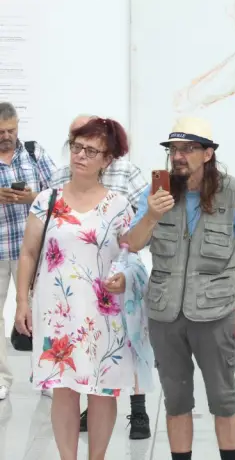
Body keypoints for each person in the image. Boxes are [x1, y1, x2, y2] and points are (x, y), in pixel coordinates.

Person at [124, 117, 235, 460]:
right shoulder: (156, 194)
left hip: (214, 313)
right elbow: (132, 243)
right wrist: (151, 215)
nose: (178, 156)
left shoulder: (234, 193)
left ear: (207, 154)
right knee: (176, 400)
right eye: (174, 149)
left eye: (188, 148)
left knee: (223, 398)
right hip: (165, 313)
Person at [14, 118, 134, 460]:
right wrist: (22, 301)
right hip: (55, 311)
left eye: (91, 151)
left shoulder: (119, 205)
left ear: (107, 160)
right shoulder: (46, 200)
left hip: (103, 312)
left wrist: (125, 277)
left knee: (102, 390)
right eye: (77, 147)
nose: (80, 155)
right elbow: (29, 253)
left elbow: (130, 256)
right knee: (63, 388)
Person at [50, 114, 152, 439]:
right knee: (83, 352)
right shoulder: (60, 176)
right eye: (73, 141)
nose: (78, 150)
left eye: (86, 143)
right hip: (74, 280)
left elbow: (140, 222)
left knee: (125, 347)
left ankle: (138, 410)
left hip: (115, 275)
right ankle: (87, 407)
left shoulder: (127, 174)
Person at [0, 101, 56, 401]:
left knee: (41, 313)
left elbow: (59, 194)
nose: (6, 136)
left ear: (18, 126)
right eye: (0, 131)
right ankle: (1, 379)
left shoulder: (35, 153)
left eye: (11, 130)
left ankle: (46, 376)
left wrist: (31, 197)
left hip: (33, 250)